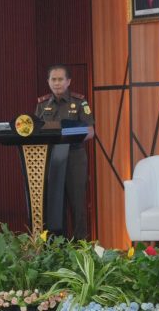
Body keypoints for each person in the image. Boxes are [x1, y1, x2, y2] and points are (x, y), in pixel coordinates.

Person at [35, 64, 95, 240]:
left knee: (77, 204)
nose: (57, 83)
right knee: (54, 203)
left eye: (60, 79)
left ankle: (80, 245)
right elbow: (36, 131)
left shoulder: (80, 102)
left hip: (74, 157)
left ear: (68, 81)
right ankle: (56, 245)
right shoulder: (42, 104)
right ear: (48, 82)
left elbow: (90, 132)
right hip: (51, 158)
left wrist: (64, 133)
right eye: (53, 79)